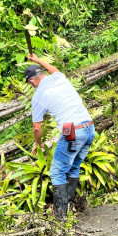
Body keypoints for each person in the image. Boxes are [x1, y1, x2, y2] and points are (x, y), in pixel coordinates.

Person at [25, 54, 95, 219]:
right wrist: (37, 60)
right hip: (89, 128)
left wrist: (38, 143)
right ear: (42, 74)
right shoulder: (60, 77)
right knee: (74, 166)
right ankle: (70, 206)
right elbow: (53, 68)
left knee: (57, 172)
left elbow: (37, 127)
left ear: (32, 82)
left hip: (73, 132)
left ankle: (61, 217)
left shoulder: (38, 96)